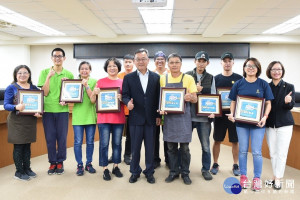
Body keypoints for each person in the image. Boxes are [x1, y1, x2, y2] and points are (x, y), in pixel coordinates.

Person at [227, 57, 273, 191]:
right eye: (248, 65)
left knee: (257, 152)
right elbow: (233, 102)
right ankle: (243, 176)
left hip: (258, 124)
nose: (251, 68)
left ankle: (257, 178)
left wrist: (265, 117)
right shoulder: (238, 84)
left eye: (254, 66)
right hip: (241, 123)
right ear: (244, 68)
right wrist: (233, 114)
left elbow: (268, 103)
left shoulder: (263, 84)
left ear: (258, 69)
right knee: (242, 150)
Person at [122, 48, 161, 184]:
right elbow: (125, 95)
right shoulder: (128, 78)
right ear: (134, 61)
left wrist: (158, 115)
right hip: (135, 118)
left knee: (150, 148)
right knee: (135, 148)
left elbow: (158, 98)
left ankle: (149, 172)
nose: (141, 61)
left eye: (143, 59)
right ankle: (134, 172)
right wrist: (127, 103)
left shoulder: (156, 77)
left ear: (148, 60)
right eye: (138, 59)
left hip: (151, 118)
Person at [160, 53, 197, 185]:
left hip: (184, 118)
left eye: (177, 62)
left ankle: (185, 173)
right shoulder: (163, 78)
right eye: (171, 62)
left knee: (185, 147)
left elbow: (195, 98)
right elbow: (160, 98)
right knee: (171, 147)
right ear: (168, 64)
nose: (174, 65)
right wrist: (161, 109)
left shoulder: (188, 78)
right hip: (169, 118)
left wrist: (190, 98)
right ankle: (173, 172)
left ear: (181, 64)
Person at [38, 48, 74, 175]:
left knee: (62, 138)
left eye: (60, 56)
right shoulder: (44, 72)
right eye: (55, 56)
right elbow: (45, 92)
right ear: (52, 58)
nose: (57, 58)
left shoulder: (68, 74)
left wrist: (67, 100)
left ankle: (60, 161)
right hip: (48, 110)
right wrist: (48, 77)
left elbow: (71, 94)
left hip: (62, 111)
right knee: (50, 137)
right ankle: (52, 162)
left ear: (64, 58)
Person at [90, 57, 125, 181]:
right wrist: (94, 93)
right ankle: (105, 168)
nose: (112, 68)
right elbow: (92, 101)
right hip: (103, 119)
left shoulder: (122, 82)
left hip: (118, 119)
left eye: (114, 66)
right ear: (106, 68)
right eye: (109, 66)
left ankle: (116, 166)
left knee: (117, 144)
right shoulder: (100, 82)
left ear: (118, 68)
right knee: (104, 145)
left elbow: (127, 101)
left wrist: (122, 98)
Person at [4, 65, 41, 181]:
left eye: (25, 72)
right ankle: (19, 171)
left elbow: (39, 103)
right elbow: (6, 105)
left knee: (27, 146)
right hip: (17, 121)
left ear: (29, 75)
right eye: (20, 73)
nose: (22, 75)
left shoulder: (34, 87)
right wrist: (16, 107)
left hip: (30, 121)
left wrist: (39, 112)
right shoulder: (11, 87)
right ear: (16, 75)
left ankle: (27, 168)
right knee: (19, 146)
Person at [210, 52, 242, 176]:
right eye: (225, 61)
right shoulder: (215, 79)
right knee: (217, 140)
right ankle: (215, 163)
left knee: (235, 141)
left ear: (233, 62)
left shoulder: (239, 78)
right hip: (220, 116)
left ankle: (235, 164)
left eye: (230, 61)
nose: (227, 63)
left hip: (234, 116)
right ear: (221, 62)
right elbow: (212, 97)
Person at [186, 51, 216, 181]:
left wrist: (213, 111)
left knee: (205, 146)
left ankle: (205, 169)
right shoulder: (187, 75)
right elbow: (182, 94)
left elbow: (214, 97)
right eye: (199, 60)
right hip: (188, 116)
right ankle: (184, 169)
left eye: (204, 61)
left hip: (204, 119)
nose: (201, 63)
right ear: (195, 61)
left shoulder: (211, 77)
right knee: (184, 145)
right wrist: (194, 92)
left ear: (207, 63)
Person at [265, 61, 295, 190]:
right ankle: (275, 176)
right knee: (273, 153)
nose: (276, 72)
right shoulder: (266, 86)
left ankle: (278, 178)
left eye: (279, 69)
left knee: (282, 153)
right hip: (270, 124)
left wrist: (288, 102)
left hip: (285, 124)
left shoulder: (289, 86)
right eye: (273, 69)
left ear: (282, 71)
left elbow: (290, 105)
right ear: (269, 71)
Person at [72, 61, 97, 176]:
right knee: (77, 142)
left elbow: (93, 100)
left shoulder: (94, 82)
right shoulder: (74, 82)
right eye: (82, 69)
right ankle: (80, 164)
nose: (84, 71)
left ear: (90, 70)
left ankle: (89, 163)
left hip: (90, 116)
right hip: (77, 116)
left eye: (87, 69)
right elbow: (69, 95)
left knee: (90, 142)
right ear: (79, 70)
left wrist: (86, 85)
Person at [153, 51, 170, 169]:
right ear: (154, 61)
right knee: (154, 136)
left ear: (165, 61)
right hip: (154, 109)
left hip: (168, 109)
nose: (160, 61)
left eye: (162, 59)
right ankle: (155, 159)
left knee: (167, 136)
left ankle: (168, 159)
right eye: (157, 59)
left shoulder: (171, 74)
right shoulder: (151, 74)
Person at [117, 54, 135, 165]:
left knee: (130, 136)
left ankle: (128, 155)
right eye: (126, 62)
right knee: (117, 135)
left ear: (133, 63)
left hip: (131, 111)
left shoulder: (136, 75)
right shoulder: (119, 76)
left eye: (130, 62)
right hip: (119, 111)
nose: (128, 64)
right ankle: (115, 155)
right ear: (123, 63)